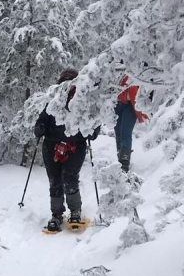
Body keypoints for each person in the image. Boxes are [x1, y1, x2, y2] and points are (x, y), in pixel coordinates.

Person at [33, 68, 99, 233]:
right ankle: (56, 214)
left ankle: (75, 211)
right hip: (51, 144)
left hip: (76, 145)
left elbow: (94, 124)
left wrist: (92, 131)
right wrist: (39, 127)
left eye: (71, 83)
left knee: (69, 178)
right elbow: (42, 119)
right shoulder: (53, 102)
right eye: (65, 83)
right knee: (54, 180)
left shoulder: (83, 103)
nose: (68, 87)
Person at [114, 74, 149, 172]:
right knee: (118, 132)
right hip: (119, 103)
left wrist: (142, 113)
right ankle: (120, 157)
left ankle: (124, 161)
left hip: (130, 105)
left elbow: (136, 95)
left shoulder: (137, 70)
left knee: (125, 133)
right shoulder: (120, 70)